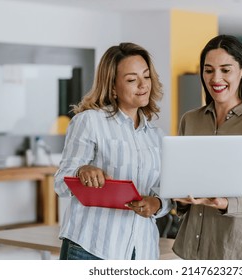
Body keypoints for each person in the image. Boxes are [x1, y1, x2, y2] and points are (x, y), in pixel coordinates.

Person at [54, 42, 172, 260]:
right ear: (113, 87)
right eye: (131, 79)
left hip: (143, 251)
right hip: (92, 247)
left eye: (146, 76)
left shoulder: (158, 136)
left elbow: (166, 192)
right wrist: (82, 171)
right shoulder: (89, 121)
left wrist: (157, 204)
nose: (143, 84)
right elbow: (61, 183)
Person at [172, 35, 242, 260]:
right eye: (209, 70)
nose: (216, 78)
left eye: (225, 69)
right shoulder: (190, 120)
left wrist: (224, 203)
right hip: (201, 247)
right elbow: (184, 179)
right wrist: (176, 194)